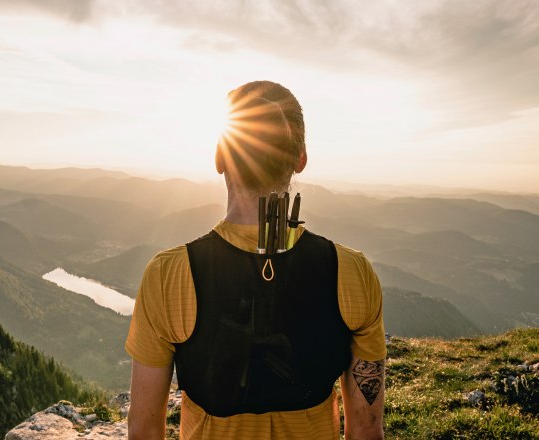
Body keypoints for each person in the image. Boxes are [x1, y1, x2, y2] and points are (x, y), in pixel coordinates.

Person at [125, 80, 386, 440]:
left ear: (220, 156)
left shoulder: (169, 275)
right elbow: (367, 428)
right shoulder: (352, 273)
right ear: (301, 158)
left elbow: (143, 428)